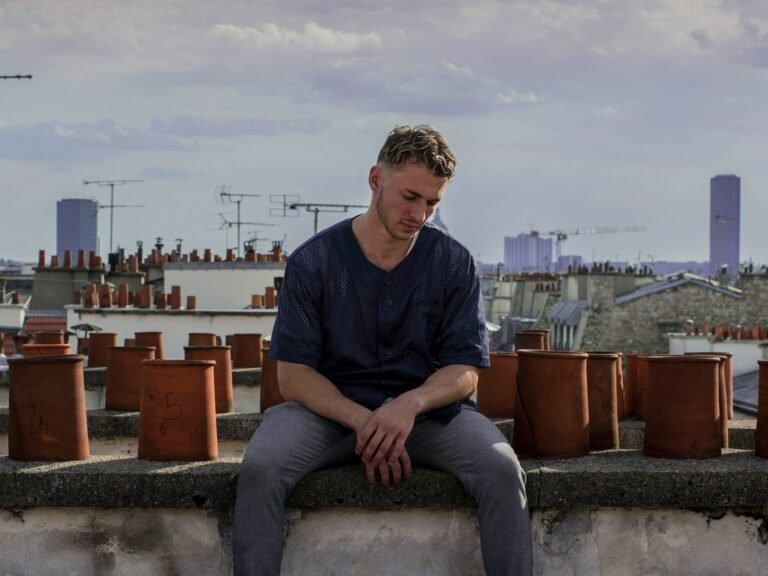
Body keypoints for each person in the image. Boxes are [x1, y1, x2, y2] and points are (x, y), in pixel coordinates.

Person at [233, 125, 532, 575]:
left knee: (502, 469)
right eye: (410, 196)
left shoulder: (453, 262)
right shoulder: (314, 261)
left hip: (428, 417)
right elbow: (292, 376)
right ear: (376, 180)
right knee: (260, 469)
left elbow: (465, 370)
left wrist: (407, 406)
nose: (420, 213)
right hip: (328, 416)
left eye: (432, 203)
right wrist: (367, 422)